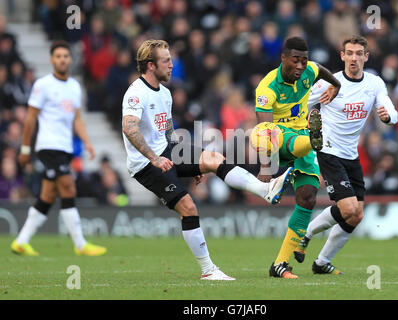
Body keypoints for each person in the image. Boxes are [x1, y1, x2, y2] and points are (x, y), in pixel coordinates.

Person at [121, 39, 294, 281]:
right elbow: (129, 128)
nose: (172, 65)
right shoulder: (136, 93)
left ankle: (265, 188)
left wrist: (189, 164)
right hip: (146, 164)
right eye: (166, 61)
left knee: (213, 158)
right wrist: (154, 158)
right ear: (150, 66)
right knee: (188, 207)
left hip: (167, 151)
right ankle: (208, 270)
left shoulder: (166, 93)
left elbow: (169, 134)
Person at [296, 35, 398, 274]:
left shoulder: (374, 83)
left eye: (358, 54)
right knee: (349, 209)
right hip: (329, 151)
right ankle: (307, 233)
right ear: (342, 56)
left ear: (366, 57)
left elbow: (391, 110)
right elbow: (299, 105)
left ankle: (321, 263)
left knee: (356, 215)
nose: (353, 58)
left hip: (351, 154)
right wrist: (303, 124)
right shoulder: (328, 84)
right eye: (349, 53)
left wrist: (388, 117)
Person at [254, 36, 341, 279]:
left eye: (304, 61)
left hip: (302, 131)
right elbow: (266, 130)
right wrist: (265, 167)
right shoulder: (267, 87)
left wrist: (336, 86)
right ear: (283, 59)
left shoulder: (309, 71)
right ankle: (311, 140)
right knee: (274, 137)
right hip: (277, 138)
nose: (301, 66)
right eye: (296, 61)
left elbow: (321, 70)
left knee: (308, 197)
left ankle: (280, 264)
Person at [11, 40, 107, 257]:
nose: (63, 59)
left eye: (66, 56)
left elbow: (78, 120)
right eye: (58, 56)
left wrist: (88, 142)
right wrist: (26, 149)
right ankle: (81, 244)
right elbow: (30, 119)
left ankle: (21, 241)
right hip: (48, 147)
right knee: (68, 187)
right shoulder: (42, 85)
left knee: (48, 195)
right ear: (51, 60)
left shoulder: (74, 87)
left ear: (70, 60)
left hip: (64, 148)